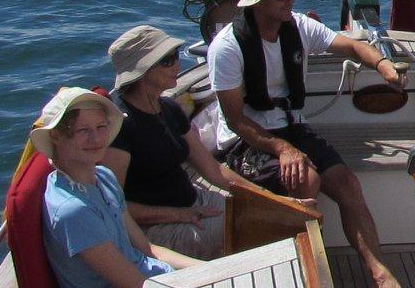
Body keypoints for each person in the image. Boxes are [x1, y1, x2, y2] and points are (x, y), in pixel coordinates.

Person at [207, 0, 407, 288]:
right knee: (306, 179)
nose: (291, 0)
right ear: (257, 1)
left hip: (291, 126)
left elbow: (353, 45)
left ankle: (379, 276)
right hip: (246, 138)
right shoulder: (227, 48)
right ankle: (303, 281)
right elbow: (236, 120)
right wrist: (282, 149)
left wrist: (382, 64)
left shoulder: (298, 28)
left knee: (347, 183)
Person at [104, 24, 309, 261]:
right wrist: (177, 215)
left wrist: (269, 199)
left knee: (285, 216)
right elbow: (115, 207)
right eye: (167, 60)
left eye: (175, 56)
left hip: (192, 203)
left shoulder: (167, 107)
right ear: (143, 72)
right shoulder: (120, 126)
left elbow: (212, 169)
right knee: (265, 229)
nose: (177, 65)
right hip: (157, 226)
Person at [32, 86, 202, 288]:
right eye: (83, 131)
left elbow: (147, 250)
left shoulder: (102, 176)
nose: (96, 139)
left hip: (153, 280)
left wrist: (208, 271)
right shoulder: (73, 210)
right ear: (56, 136)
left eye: (101, 127)